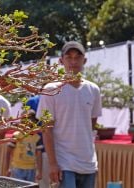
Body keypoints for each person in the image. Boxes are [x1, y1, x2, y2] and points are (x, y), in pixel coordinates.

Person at [36, 41, 102, 188]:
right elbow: (46, 129)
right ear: (61, 61)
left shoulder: (93, 90)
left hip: (88, 162)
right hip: (64, 162)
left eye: (78, 57)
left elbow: (91, 124)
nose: (73, 61)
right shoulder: (50, 90)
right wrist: (53, 164)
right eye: (69, 57)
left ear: (84, 60)